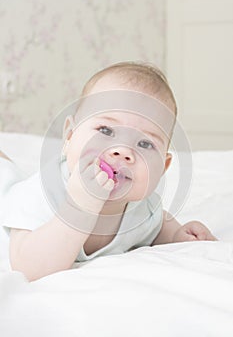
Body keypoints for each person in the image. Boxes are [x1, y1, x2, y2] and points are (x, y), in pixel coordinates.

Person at [0, 61, 217, 281]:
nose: (123, 151)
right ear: (70, 135)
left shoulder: (143, 209)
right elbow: (28, 269)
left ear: (163, 168)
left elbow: (157, 225)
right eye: (106, 130)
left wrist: (178, 235)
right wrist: (79, 208)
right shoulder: (42, 192)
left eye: (144, 144)